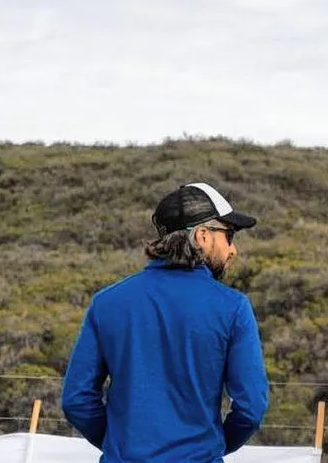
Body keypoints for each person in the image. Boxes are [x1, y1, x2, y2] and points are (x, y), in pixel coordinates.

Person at [61, 181, 270, 462]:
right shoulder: (233, 308)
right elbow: (252, 408)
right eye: (229, 235)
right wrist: (212, 446)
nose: (233, 250)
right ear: (203, 236)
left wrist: (118, 443)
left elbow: (76, 400)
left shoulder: (107, 303)